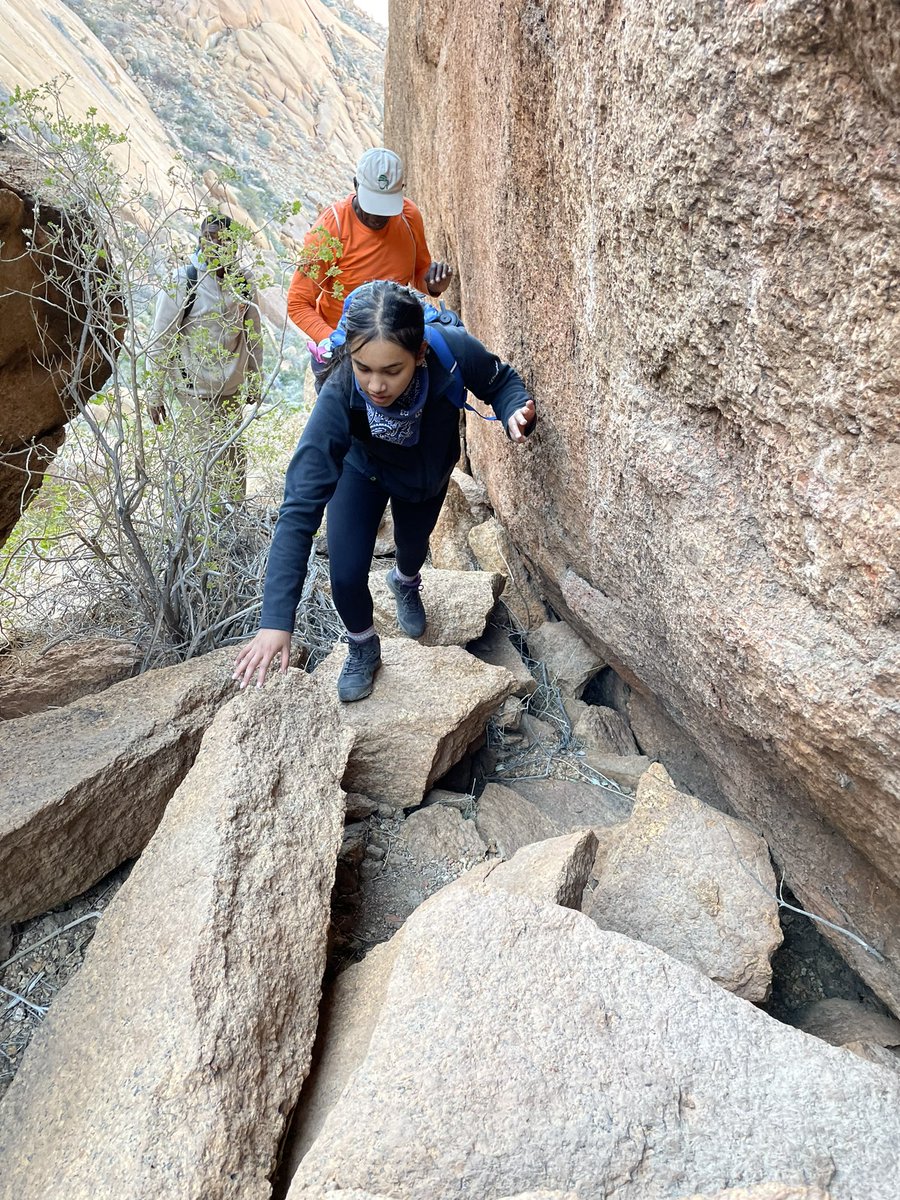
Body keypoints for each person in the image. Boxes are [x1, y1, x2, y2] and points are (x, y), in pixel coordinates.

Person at [234, 280, 537, 701]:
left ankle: (405, 582)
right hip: (361, 473)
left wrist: (514, 412)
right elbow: (299, 505)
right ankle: (362, 646)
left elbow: (500, 382)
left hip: (423, 478)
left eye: (392, 371)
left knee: (413, 547)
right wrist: (275, 620)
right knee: (345, 573)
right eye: (364, 368)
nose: (376, 385)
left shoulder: (451, 351)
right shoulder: (341, 392)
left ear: (419, 354)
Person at [287, 148, 453, 381]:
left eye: (385, 208)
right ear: (356, 185)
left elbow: (418, 273)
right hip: (342, 352)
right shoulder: (331, 230)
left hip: (395, 348)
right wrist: (335, 342)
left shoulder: (409, 216)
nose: (377, 216)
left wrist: (434, 284)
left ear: (401, 191)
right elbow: (298, 303)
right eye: (372, 205)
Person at [146, 213, 262, 498]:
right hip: (194, 389)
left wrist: (255, 379)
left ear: (233, 246)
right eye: (207, 239)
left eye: (220, 241)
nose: (212, 246)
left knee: (234, 465)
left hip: (230, 388)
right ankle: (201, 533)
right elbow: (160, 339)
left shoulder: (243, 283)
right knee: (205, 466)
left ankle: (233, 529)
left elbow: (254, 334)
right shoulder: (185, 281)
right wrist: (154, 393)